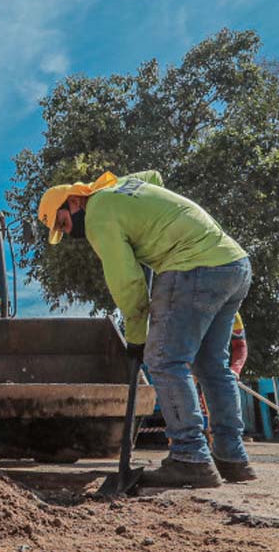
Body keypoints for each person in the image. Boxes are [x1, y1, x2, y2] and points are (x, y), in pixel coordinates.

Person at [37, 170, 255, 487]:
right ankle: (233, 458)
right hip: (233, 264)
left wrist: (137, 339)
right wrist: (147, 222)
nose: (69, 233)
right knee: (211, 365)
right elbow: (154, 176)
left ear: (74, 201)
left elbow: (128, 285)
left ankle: (190, 458)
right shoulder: (121, 187)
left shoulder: (98, 215)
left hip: (191, 266)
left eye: (64, 223)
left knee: (165, 360)